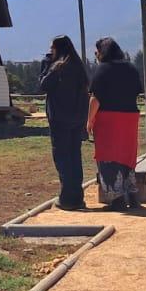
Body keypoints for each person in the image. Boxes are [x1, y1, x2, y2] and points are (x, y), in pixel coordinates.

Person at [88, 37, 143, 210]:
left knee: (108, 157)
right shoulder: (131, 68)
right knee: (127, 156)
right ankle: (133, 196)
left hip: (108, 119)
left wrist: (89, 120)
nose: (95, 54)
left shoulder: (102, 70)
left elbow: (95, 98)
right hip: (129, 119)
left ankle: (116, 198)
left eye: (96, 51)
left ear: (102, 52)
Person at [38, 35, 90, 211]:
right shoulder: (78, 66)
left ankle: (67, 198)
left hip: (60, 119)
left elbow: (43, 85)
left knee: (62, 158)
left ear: (57, 49)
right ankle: (77, 196)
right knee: (75, 157)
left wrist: (46, 64)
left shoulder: (57, 67)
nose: (50, 52)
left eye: (52, 49)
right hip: (77, 119)